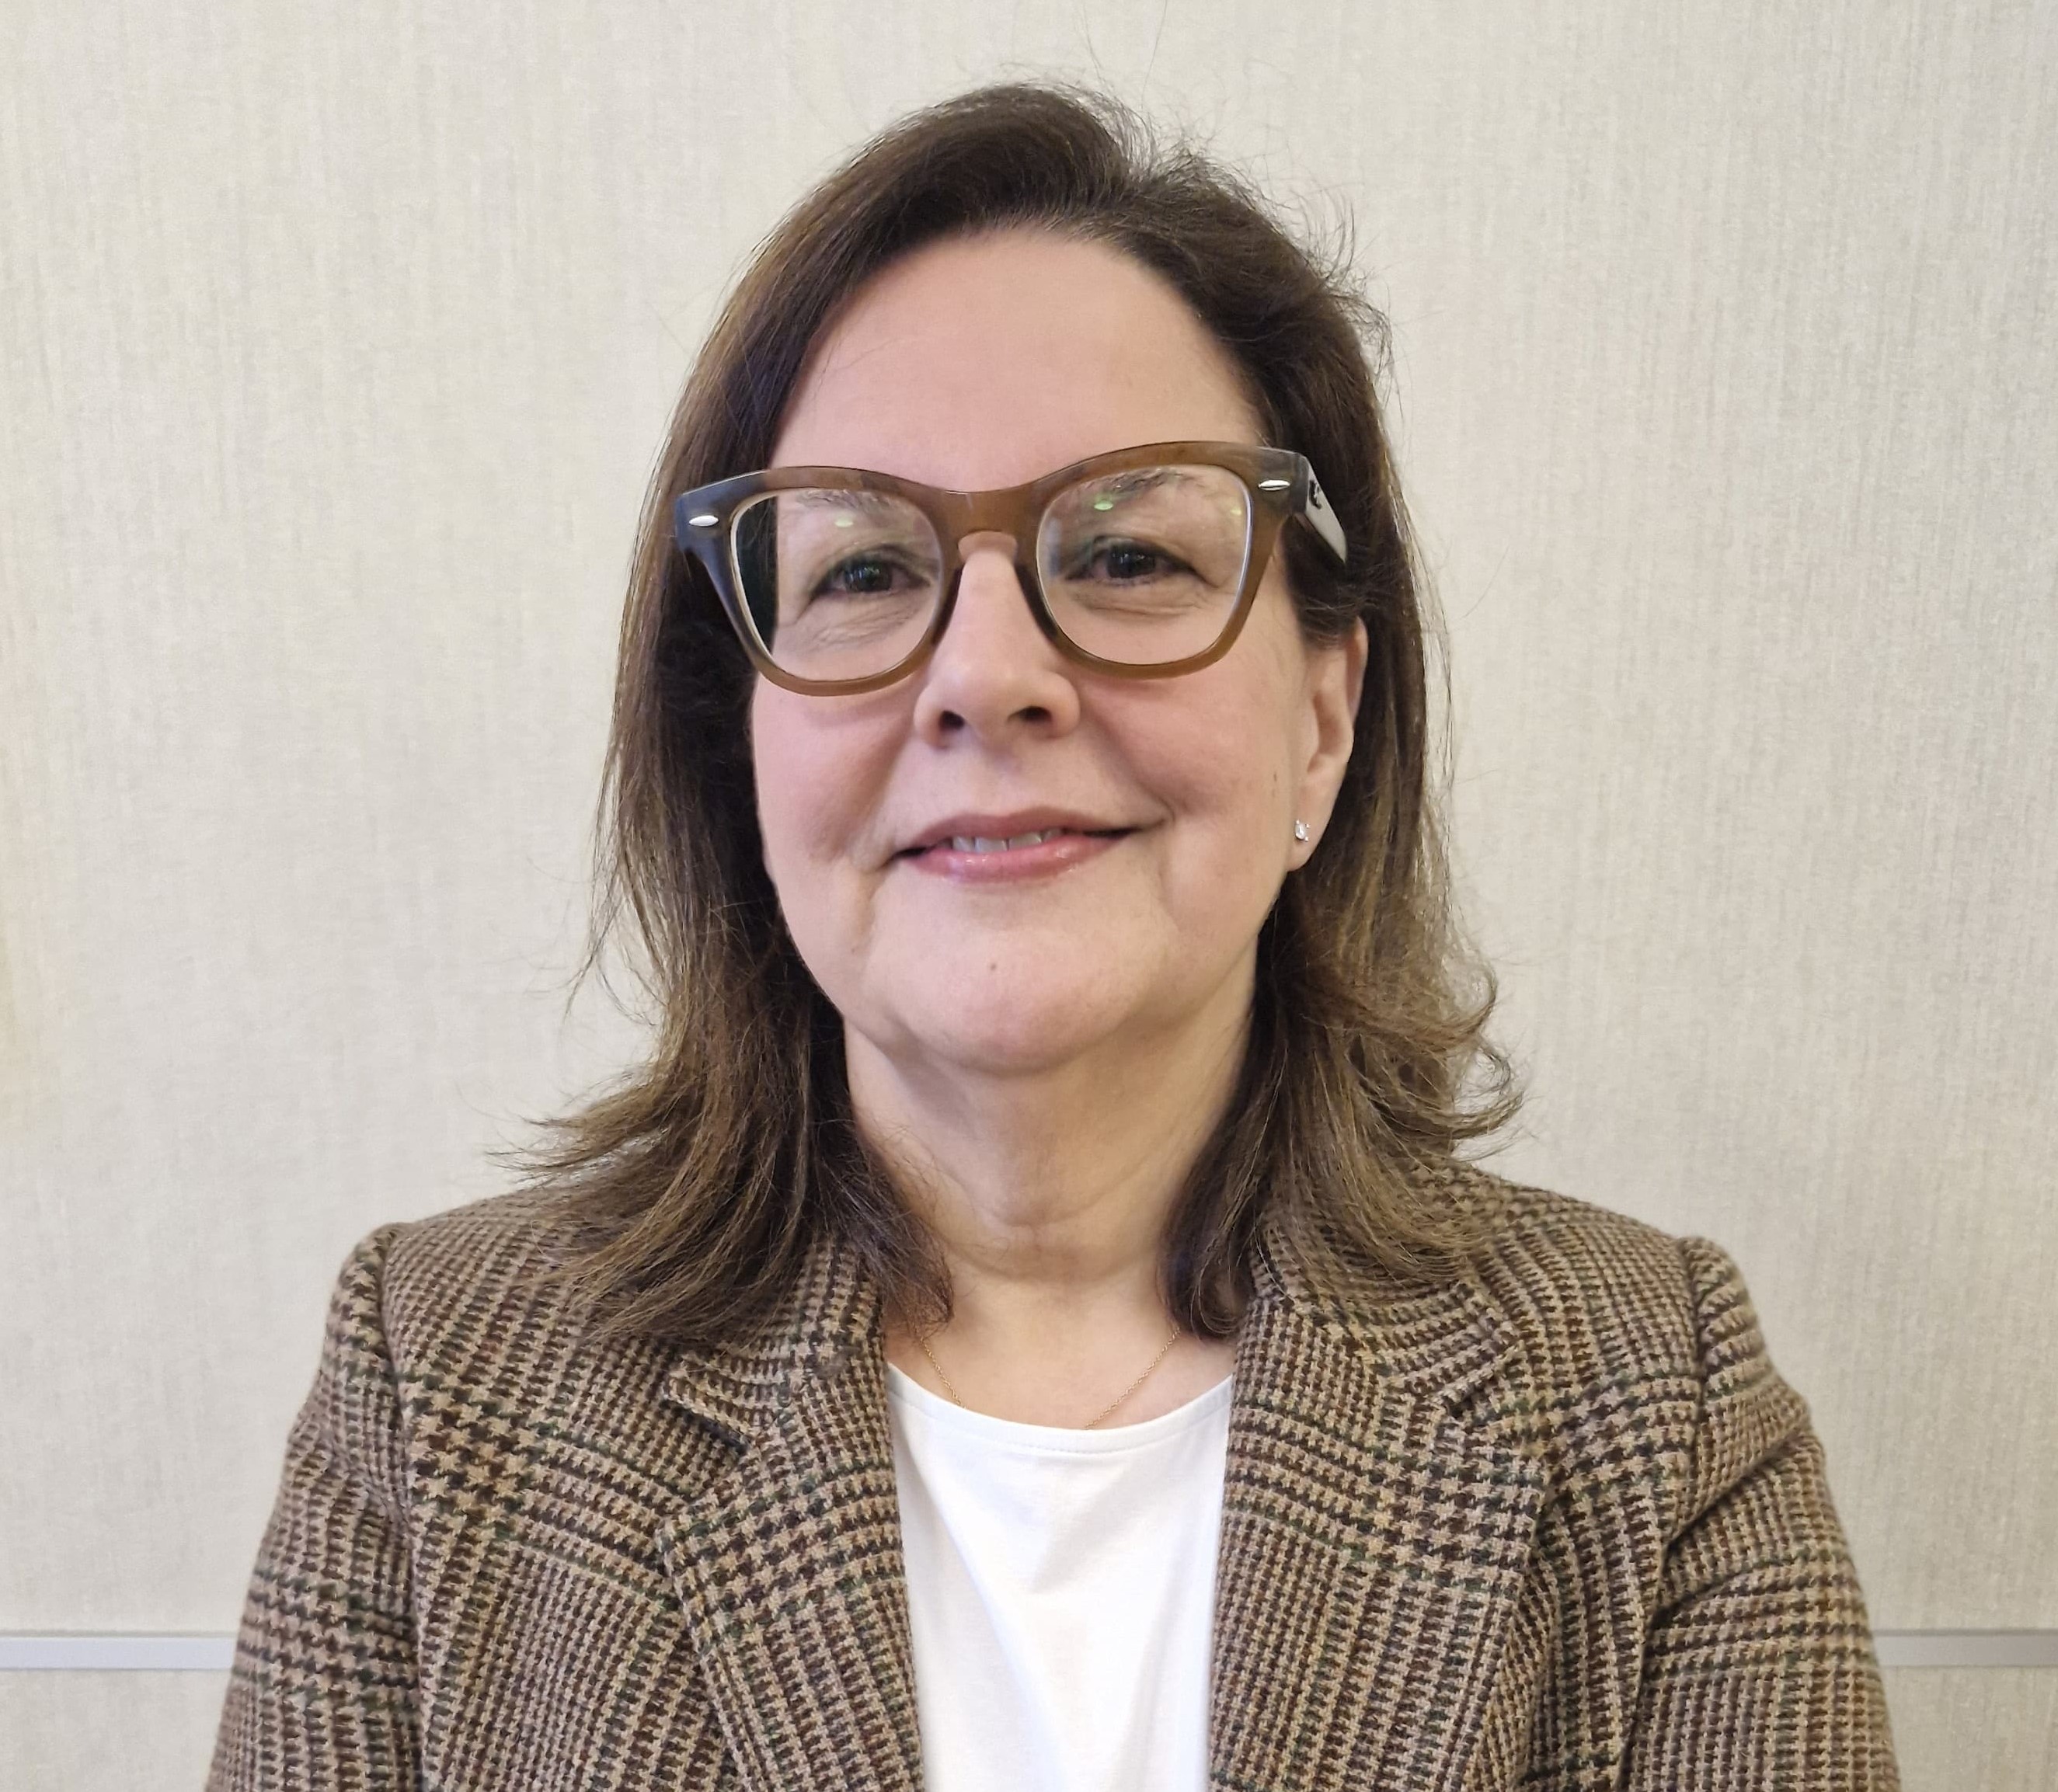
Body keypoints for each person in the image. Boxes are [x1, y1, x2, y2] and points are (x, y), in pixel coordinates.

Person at [207, 84, 1899, 1791]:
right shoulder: (441, 1384)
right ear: (743, 745)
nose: (986, 673)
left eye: (1128, 555)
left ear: (1321, 719)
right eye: (864, 572)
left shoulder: (1649, 1402)